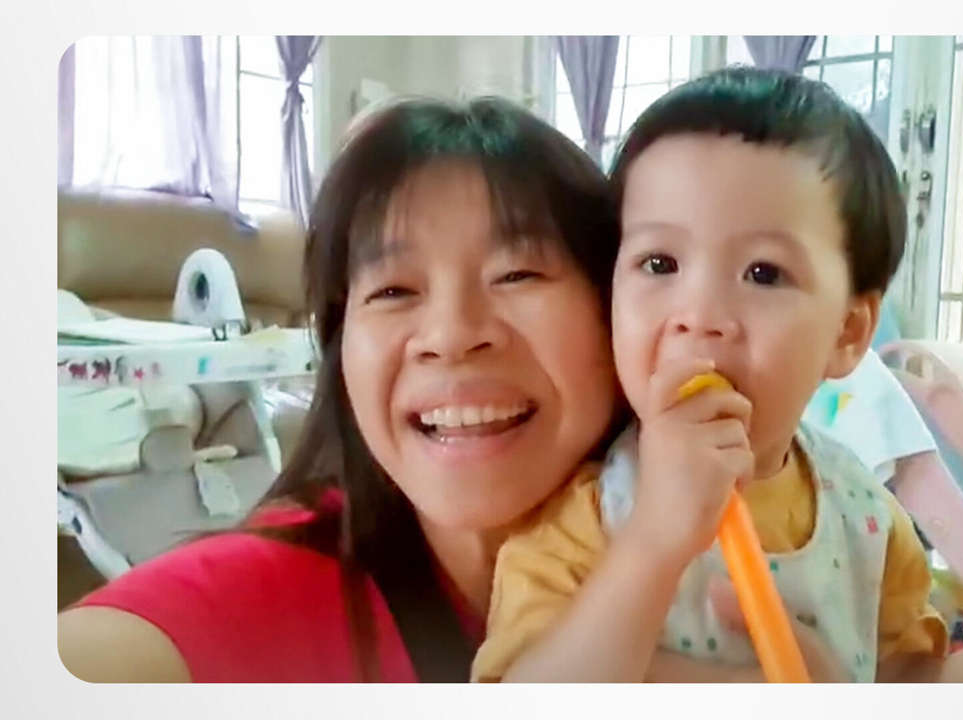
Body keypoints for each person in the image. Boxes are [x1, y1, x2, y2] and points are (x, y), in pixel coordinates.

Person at [472, 67, 963, 683]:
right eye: (660, 263)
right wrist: (655, 540)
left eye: (763, 273)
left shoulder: (865, 516)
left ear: (848, 332)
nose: (700, 315)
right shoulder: (580, 521)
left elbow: (903, 686)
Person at [56, 96, 625, 682]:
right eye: (394, 291)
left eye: (518, 274)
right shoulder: (261, 596)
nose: (451, 336)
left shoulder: (680, 540)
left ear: (618, 312)